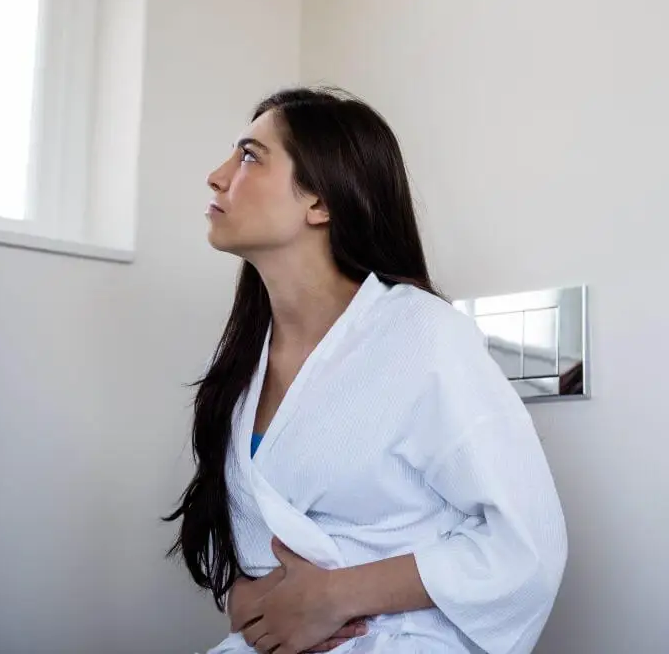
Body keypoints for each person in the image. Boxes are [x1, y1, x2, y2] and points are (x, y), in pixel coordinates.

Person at [165, 88, 568, 654]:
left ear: (320, 203)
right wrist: (243, 597)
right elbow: (250, 528)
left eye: (251, 156)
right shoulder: (240, 362)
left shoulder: (422, 335)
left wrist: (334, 596)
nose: (217, 175)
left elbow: (527, 542)